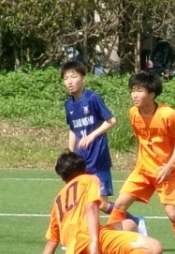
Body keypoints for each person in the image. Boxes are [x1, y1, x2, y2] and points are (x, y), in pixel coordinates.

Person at [29, 151, 166, 254]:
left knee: (129, 225)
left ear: (63, 177)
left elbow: (52, 241)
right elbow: (91, 207)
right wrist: (94, 242)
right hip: (90, 240)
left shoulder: (59, 198)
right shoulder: (89, 179)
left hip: (80, 250)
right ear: (84, 167)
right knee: (154, 247)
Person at [108, 71, 175, 254]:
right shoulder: (133, 113)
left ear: (152, 94)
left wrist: (169, 165)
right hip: (142, 170)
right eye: (133, 90)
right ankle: (110, 246)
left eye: (139, 90)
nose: (134, 95)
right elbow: (142, 140)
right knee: (120, 204)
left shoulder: (168, 114)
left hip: (165, 171)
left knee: (172, 213)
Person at [61, 59, 143, 235]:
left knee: (102, 204)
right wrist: (71, 153)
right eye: (66, 78)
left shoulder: (92, 98)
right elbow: (73, 129)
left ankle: (136, 222)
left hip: (98, 159)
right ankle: (83, 235)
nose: (70, 81)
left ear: (83, 78)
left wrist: (92, 136)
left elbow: (111, 121)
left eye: (73, 77)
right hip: (81, 162)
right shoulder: (68, 105)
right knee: (81, 200)